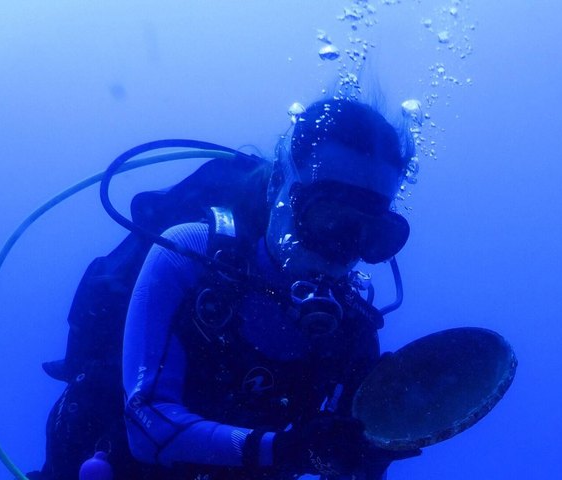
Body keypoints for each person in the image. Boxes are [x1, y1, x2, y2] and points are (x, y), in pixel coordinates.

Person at [121, 97, 417, 479]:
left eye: (370, 233)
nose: (340, 251)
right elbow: (146, 426)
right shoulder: (189, 256)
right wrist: (287, 449)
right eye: (328, 217)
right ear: (277, 183)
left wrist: (366, 454)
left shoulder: (352, 336)